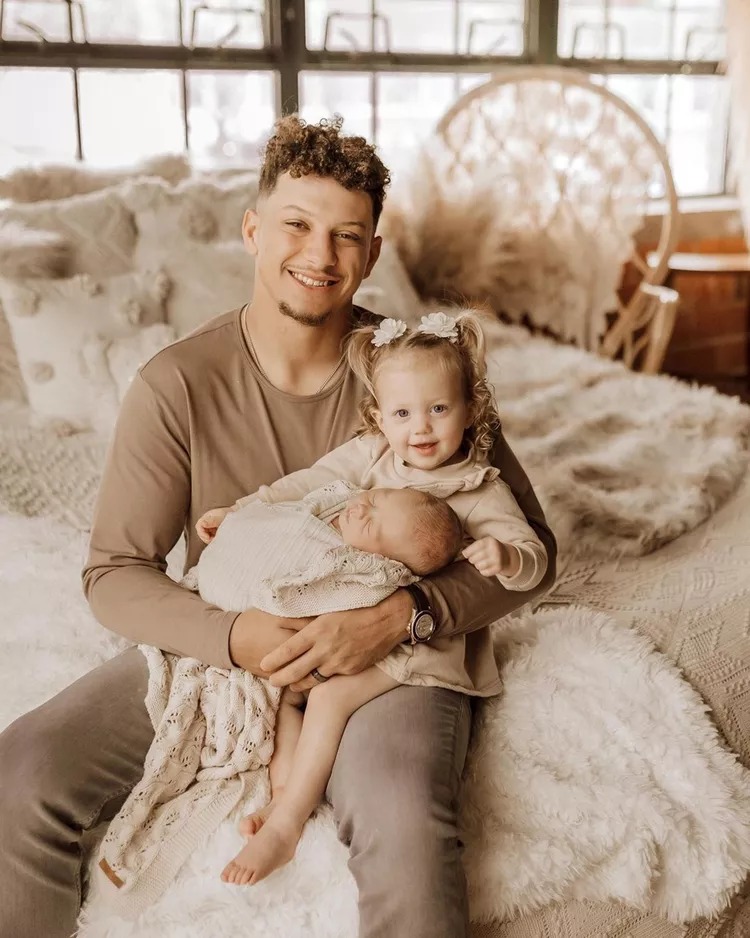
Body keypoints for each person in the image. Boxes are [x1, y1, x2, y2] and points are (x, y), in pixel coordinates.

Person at [0, 114, 556, 938]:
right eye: (296, 225)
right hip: (226, 651)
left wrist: (402, 615)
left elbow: (533, 558)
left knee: (403, 813)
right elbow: (115, 571)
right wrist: (238, 638)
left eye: (347, 236)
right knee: (21, 774)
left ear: (371, 254)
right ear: (253, 230)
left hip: (388, 657)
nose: (319, 256)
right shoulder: (176, 384)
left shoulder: (420, 374)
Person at [194, 309, 547, 886]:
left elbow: (531, 560)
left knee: (330, 702)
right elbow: (303, 484)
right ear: (380, 417)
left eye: (439, 409)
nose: (422, 428)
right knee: (287, 694)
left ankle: (285, 826)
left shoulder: (482, 490)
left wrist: (505, 558)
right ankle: (282, 792)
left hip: (414, 650)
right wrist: (242, 509)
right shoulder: (371, 456)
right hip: (342, 625)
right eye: (403, 413)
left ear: (471, 409)